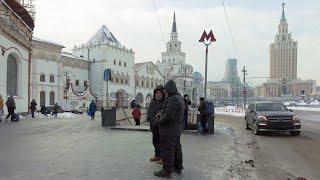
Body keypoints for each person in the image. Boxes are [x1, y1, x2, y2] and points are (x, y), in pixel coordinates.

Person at [154, 80, 184, 178]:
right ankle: (177, 167)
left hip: (169, 130)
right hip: (175, 130)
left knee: (167, 151)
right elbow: (167, 110)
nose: (165, 92)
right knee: (176, 149)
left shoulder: (173, 99)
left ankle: (167, 171)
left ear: (169, 89)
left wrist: (159, 121)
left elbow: (169, 115)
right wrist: (161, 112)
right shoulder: (178, 98)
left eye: (166, 90)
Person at [147, 85, 166, 163]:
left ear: (163, 94)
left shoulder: (165, 102)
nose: (158, 94)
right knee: (155, 141)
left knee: (162, 142)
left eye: (160, 93)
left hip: (161, 126)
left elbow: (165, 113)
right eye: (156, 93)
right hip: (153, 125)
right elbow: (149, 110)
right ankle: (157, 155)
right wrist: (148, 117)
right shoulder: (153, 101)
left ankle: (163, 157)